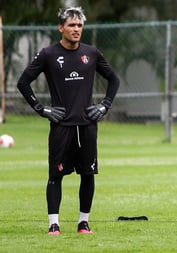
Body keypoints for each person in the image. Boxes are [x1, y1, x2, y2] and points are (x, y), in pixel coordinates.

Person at [17, 6, 120, 235]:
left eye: (80, 25)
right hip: (61, 126)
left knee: (88, 174)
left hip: (87, 126)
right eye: (72, 25)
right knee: (56, 175)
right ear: (61, 27)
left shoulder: (91, 53)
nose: (76, 29)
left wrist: (105, 105)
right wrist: (41, 109)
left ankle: (83, 223)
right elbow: (23, 82)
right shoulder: (47, 54)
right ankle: (54, 224)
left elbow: (113, 79)